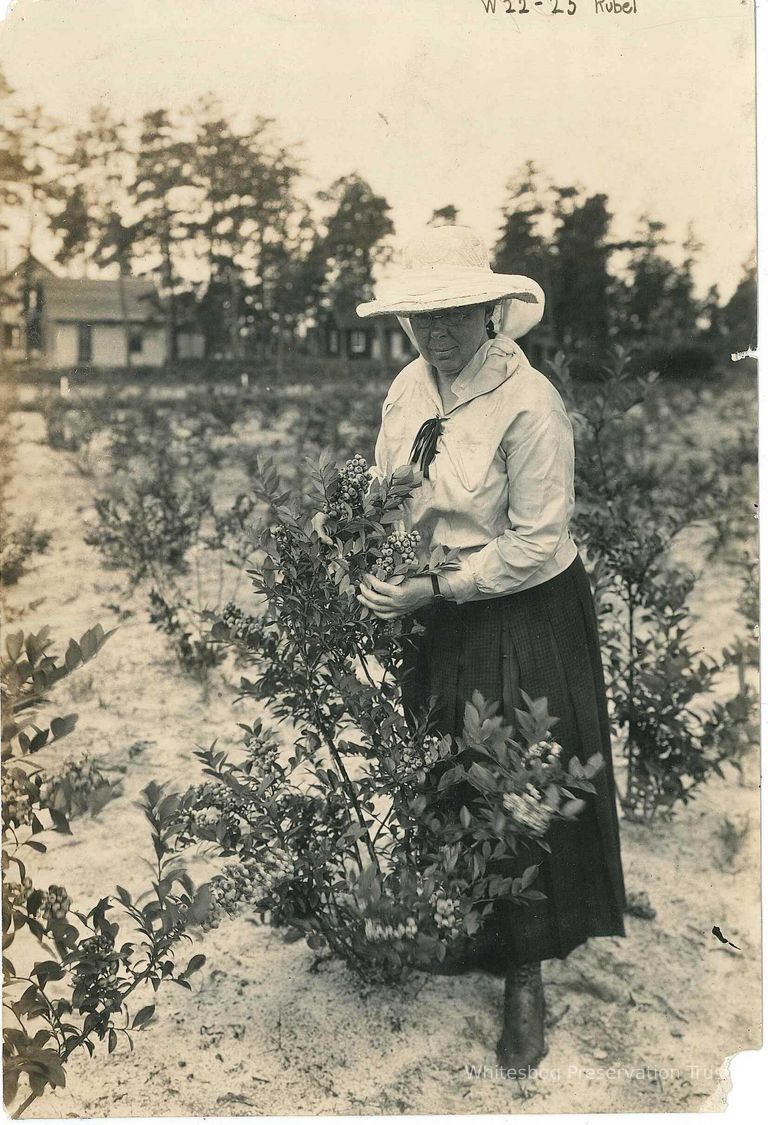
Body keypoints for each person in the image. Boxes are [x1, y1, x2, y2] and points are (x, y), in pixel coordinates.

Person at [355, 225, 627, 1072]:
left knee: (516, 777)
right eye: (420, 317)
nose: (435, 333)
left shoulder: (529, 402)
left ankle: (525, 973)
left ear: (491, 311)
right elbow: (386, 485)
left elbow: (538, 541)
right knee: (444, 767)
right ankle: (470, 932)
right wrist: (375, 556)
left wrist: (436, 587)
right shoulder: (409, 386)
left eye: (453, 313)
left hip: (521, 607)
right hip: (432, 600)